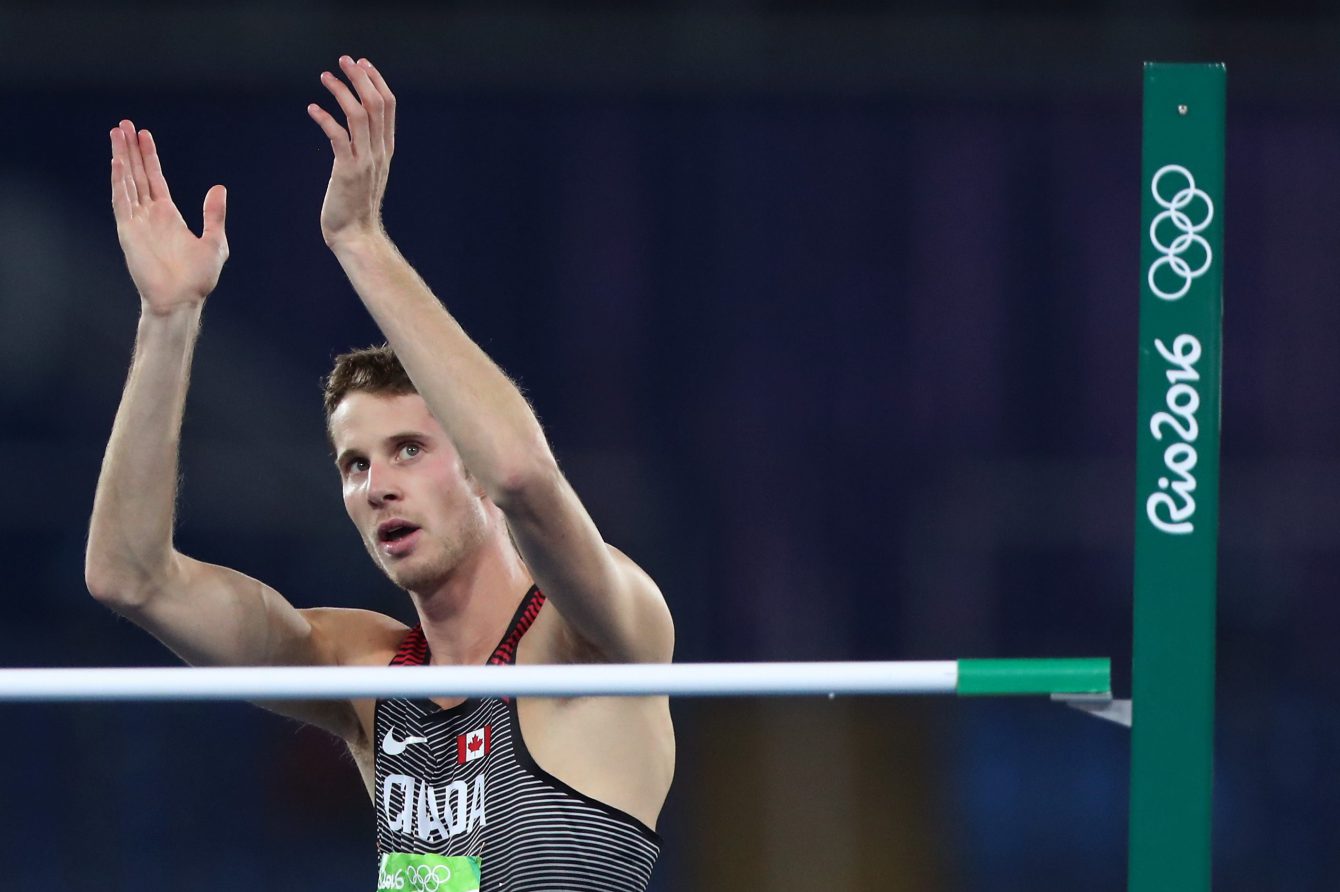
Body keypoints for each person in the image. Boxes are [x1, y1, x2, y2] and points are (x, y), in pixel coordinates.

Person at [85, 56, 674, 891]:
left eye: (409, 449)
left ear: (466, 465)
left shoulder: (596, 637)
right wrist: (169, 317)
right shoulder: (362, 676)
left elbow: (520, 474)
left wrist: (359, 240)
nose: (377, 486)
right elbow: (130, 578)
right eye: (353, 465)